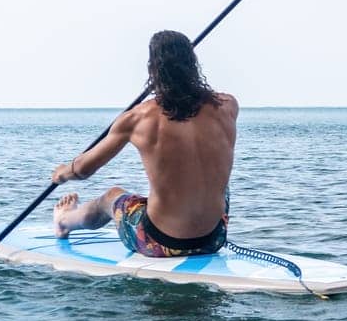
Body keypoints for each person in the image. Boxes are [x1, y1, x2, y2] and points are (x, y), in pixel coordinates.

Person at [49, 30, 239, 257]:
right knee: (211, 179)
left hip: (158, 242)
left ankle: (64, 222)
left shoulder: (137, 119)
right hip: (213, 238)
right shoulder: (228, 106)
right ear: (193, 64)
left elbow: (82, 171)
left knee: (111, 197)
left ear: (152, 70)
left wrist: (62, 173)